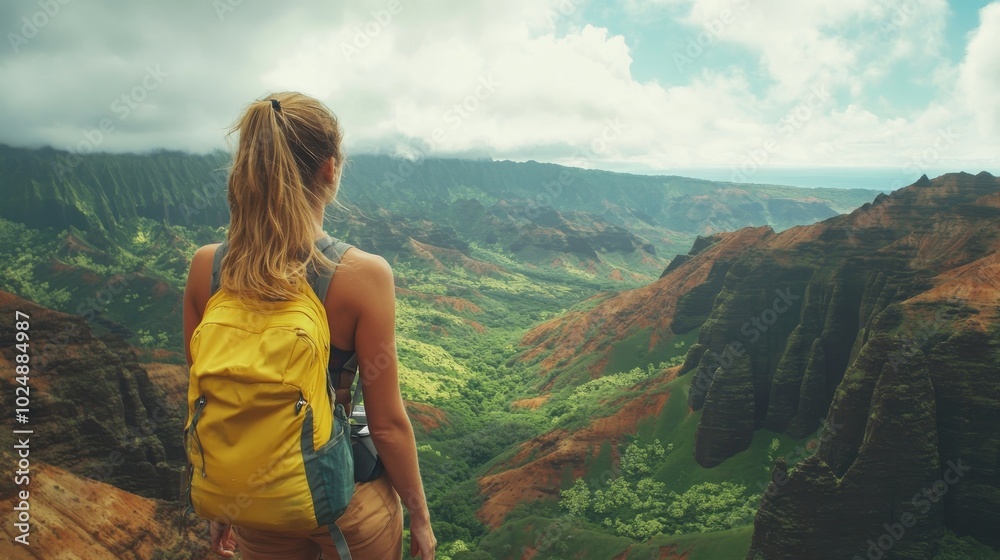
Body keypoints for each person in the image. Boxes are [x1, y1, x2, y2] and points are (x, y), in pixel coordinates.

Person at [182, 91, 436, 559]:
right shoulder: (363, 275)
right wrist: (420, 516)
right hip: (346, 504)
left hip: (257, 502)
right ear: (330, 168)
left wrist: (223, 499)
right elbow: (386, 424)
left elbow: (213, 394)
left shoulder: (207, 268)